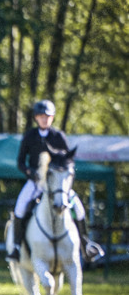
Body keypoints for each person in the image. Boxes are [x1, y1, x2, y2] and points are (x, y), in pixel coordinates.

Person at [8, 99, 94, 262]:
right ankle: (17, 247)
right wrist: (30, 173)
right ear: (36, 118)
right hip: (36, 182)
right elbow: (20, 161)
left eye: (47, 116)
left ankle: (85, 245)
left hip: (57, 183)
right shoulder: (30, 136)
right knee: (20, 207)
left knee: (79, 209)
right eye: (41, 116)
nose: (44, 119)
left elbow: (68, 160)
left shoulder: (58, 136)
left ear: (52, 117)